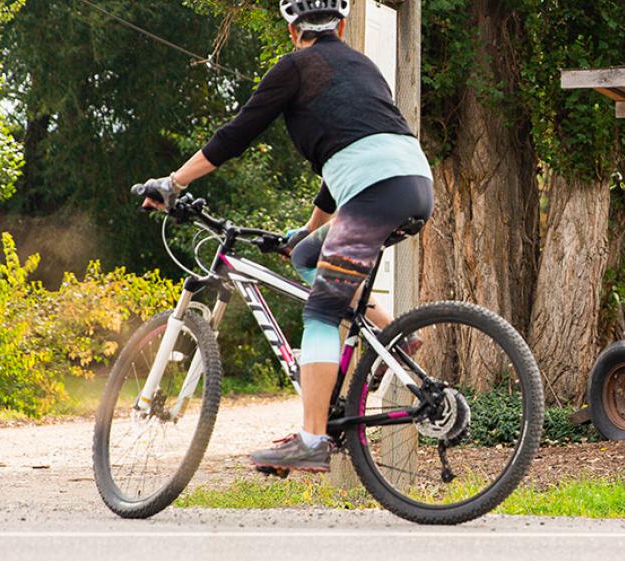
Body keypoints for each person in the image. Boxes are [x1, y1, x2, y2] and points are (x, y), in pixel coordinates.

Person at [134, 0, 432, 473]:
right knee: (308, 255)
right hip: (413, 187)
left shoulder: (294, 67)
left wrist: (173, 184)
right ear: (340, 24)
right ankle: (392, 333)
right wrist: (309, 230)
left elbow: (233, 137)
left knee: (320, 313)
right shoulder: (363, 67)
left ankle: (312, 441)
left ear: (293, 30)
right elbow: (348, 160)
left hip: (373, 195)